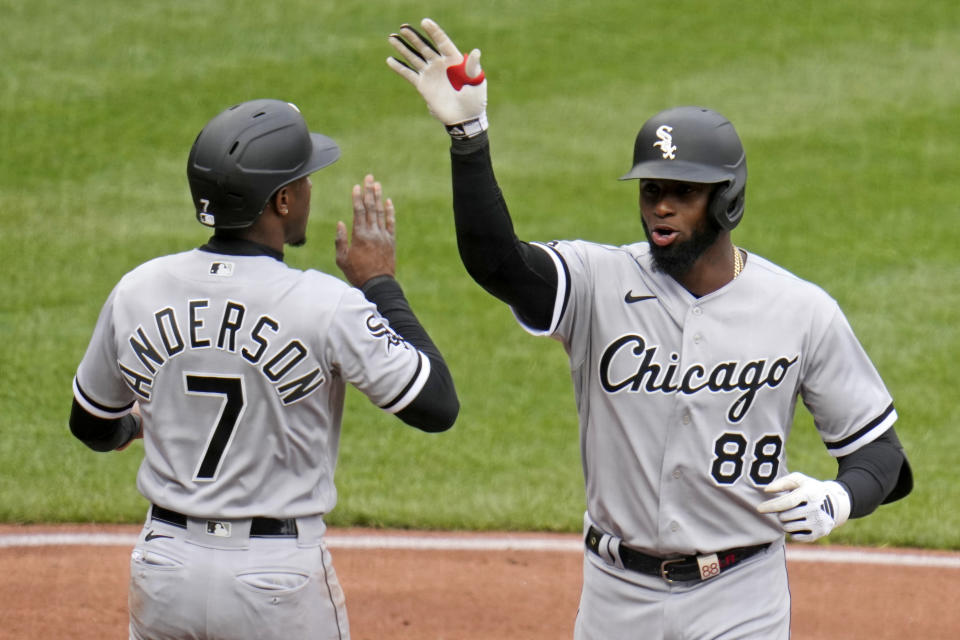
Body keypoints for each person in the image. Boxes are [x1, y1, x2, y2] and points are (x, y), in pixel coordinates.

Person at [387, 19, 911, 639]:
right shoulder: (598, 281)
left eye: (682, 193)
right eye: (651, 190)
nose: (660, 206)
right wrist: (468, 137)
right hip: (616, 595)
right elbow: (497, 262)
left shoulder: (800, 310)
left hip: (741, 595)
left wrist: (836, 500)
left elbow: (882, 457)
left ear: (726, 200)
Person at [69, 98, 459, 640]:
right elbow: (437, 405)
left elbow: (90, 425)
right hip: (276, 582)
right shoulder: (324, 303)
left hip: (166, 571)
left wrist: (134, 424)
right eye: (303, 179)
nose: (310, 189)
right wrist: (379, 284)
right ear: (280, 201)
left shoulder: (137, 288)